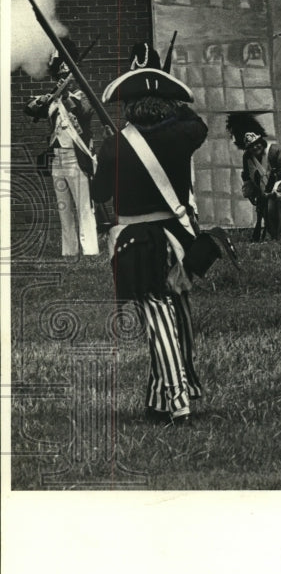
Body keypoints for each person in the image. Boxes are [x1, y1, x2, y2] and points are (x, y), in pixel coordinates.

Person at [92, 43, 208, 425]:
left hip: (139, 244)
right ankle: (164, 398)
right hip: (178, 238)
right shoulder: (185, 133)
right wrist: (172, 94)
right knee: (178, 315)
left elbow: (100, 194)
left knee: (159, 321)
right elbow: (196, 123)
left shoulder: (113, 146)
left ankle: (178, 401)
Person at [24, 39, 100, 257]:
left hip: (77, 157)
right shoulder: (52, 99)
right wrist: (46, 100)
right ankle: (69, 250)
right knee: (64, 208)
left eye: (65, 77)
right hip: (57, 157)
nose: (62, 80)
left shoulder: (81, 95)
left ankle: (90, 250)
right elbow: (29, 108)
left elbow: (85, 112)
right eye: (59, 77)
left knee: (84, 207)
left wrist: (65, 97)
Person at [226, 112, 281, 241]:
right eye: (251, 146)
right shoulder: (248, 158)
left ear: (262, 141)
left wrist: (273, 193)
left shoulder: (277, 151)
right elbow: (247, 177)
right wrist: (252, 194)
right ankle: (275, 236)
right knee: (267, 206)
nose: (255, 147)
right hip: (270, 191)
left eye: (257, 143)